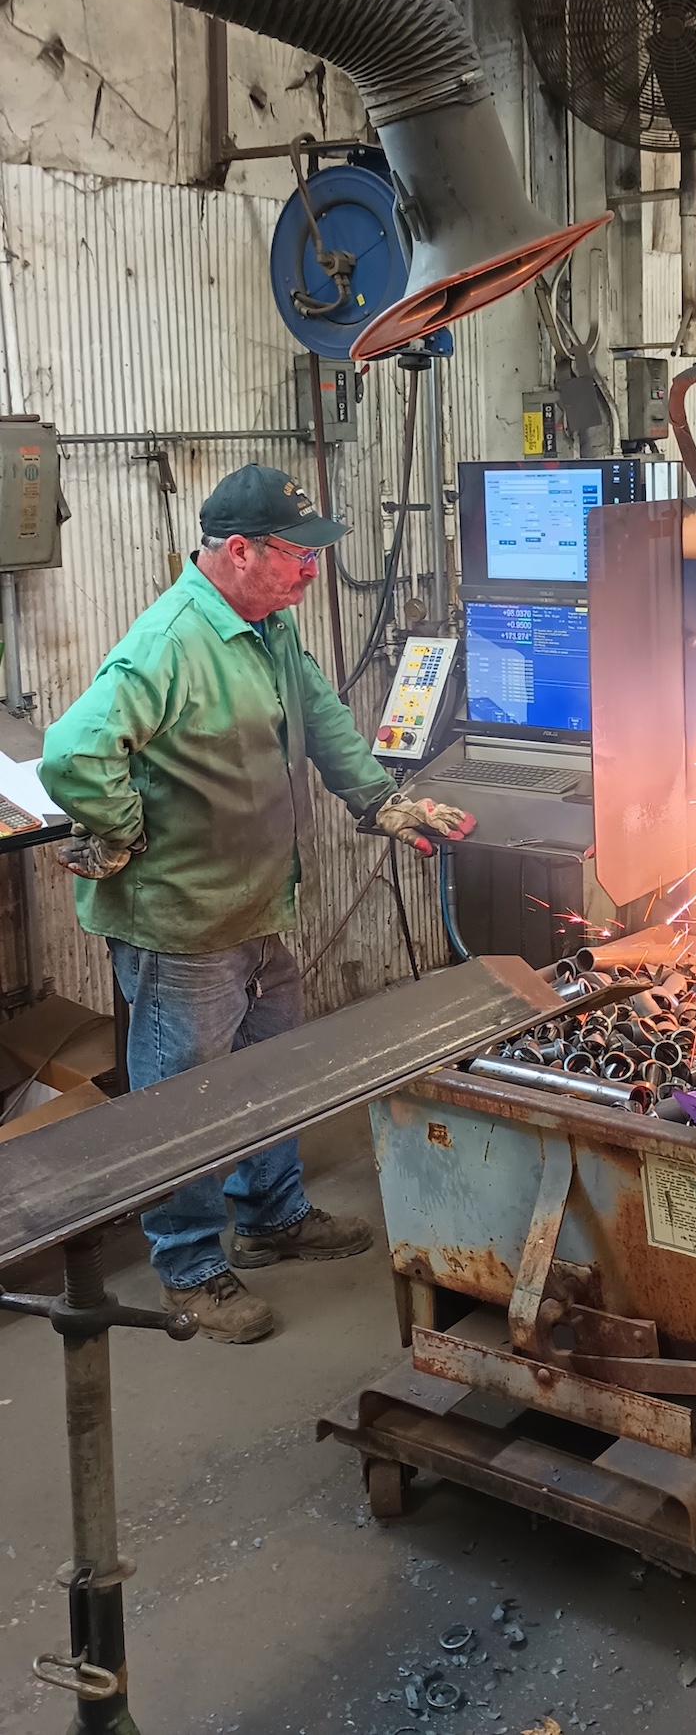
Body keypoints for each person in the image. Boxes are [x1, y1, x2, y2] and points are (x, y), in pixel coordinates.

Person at [39, 464, 472, 1345]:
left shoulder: (268, 626)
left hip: (261, 902)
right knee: (186, 1100)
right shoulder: (170, 641)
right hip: (183, 924)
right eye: (296, 555)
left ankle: (272, 1217)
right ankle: (189, 1266)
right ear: (238, 551)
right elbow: (74, 755)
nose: (311, 570)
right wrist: (123, 828)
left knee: (273, 1073)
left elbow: (324, 720)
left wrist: (382, 802)